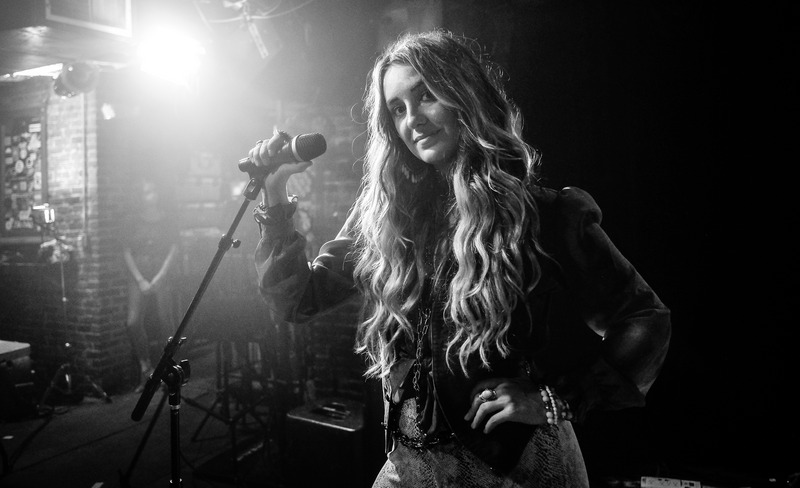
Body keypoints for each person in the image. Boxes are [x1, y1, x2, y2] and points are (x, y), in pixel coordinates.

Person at [247, 29, 671, 487]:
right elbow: (297, 299)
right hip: (412, 466)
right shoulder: (387, 220)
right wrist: (274, 190)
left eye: (426, 96)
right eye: (397, 109)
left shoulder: (541, 214)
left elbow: (644, 319)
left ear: (464, 95)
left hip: (518, 469)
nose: (413, 120)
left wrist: (553, 400)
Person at [123, 175, 180, 392]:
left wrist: (161, 276)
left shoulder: (167, 219)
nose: (152, 195)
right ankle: (145, 369)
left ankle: (168, 370)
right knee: (133, 322)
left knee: (166, 322)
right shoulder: (131, 220)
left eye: (153, 191)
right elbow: (126, 251)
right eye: (147, 192)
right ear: (140, 196)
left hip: (161, 273)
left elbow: (174, 248)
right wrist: (139, 279)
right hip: (138, 273)